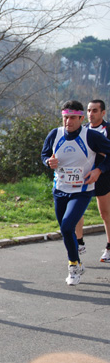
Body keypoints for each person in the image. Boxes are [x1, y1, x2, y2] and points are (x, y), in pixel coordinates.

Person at [41, 100, 110, 286]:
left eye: (72, 117)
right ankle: (78, 262)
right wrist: (48, 162)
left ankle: (72, 266)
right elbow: (44, 154)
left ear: (81, 118)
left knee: (66, 226)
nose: (68, 121)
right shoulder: (55, 134)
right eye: (65, 117)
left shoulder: (92, 136)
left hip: (82, 190)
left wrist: (99, 170)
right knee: (66, 229)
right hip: (60, 189)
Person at [74, 100, 110, 263]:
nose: (91, 114)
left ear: (103, 113)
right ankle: (79, 243)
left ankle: (109, 246)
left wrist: (99, 169)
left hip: (103, 175)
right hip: (83, 177)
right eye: (88, 110)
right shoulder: (81, 130)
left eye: (95, 110)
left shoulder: (108, 130)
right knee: (77, 211)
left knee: (105, 212)